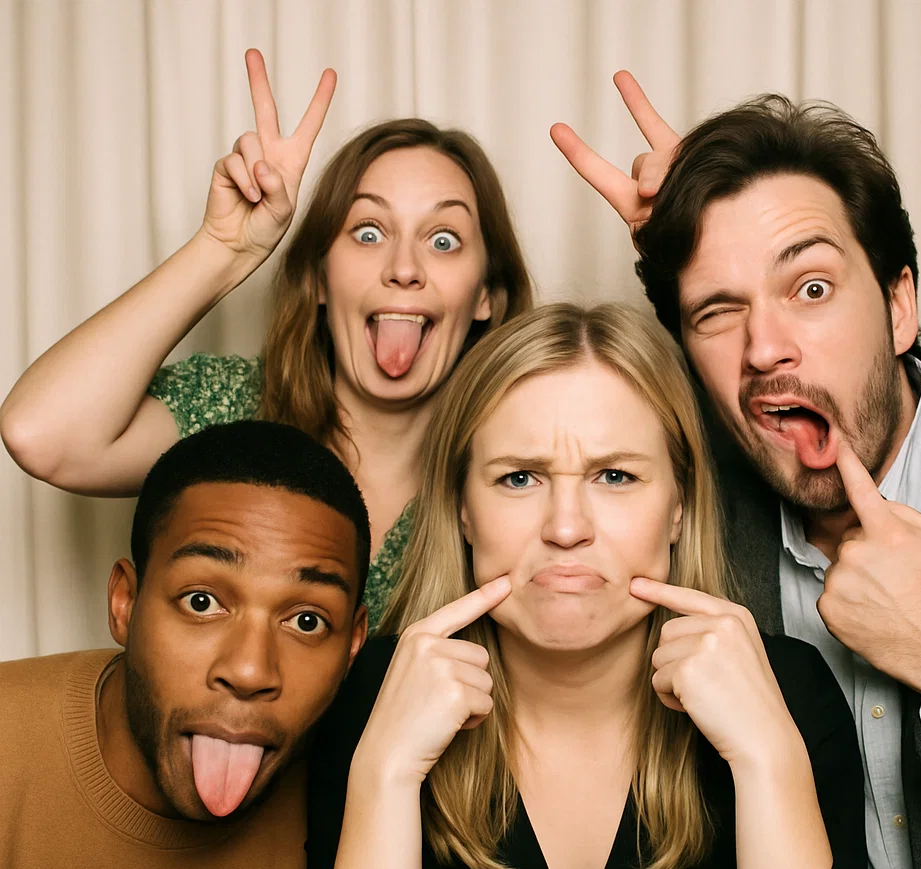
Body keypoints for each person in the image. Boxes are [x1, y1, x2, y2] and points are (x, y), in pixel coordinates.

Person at [269, 303, 906, 869]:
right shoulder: (380, 694)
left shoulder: (786, 692)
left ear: (679, 508)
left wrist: (767, 761)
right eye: (518, 478)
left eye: (614, 477)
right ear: (462, 510)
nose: (566, 528)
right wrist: (384, 775)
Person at [552, 82, 921, 869]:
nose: (766, 345)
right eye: (717, 312)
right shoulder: (677, 526)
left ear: (898, 305)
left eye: (809, 288)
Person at [0, 49, 532, 632]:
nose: (403, 268)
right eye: (369, 231)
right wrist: (225, 249)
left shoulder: (524, 460)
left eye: (444, 240)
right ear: (321, 279)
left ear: (488, 295)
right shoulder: (239, 408)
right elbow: (42, 435)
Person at [0, 419, 370, 869]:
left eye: (306, 621)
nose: (250, 670)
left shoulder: (347, 809)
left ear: (352, 645)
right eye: (203, 602)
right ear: (126, 603)